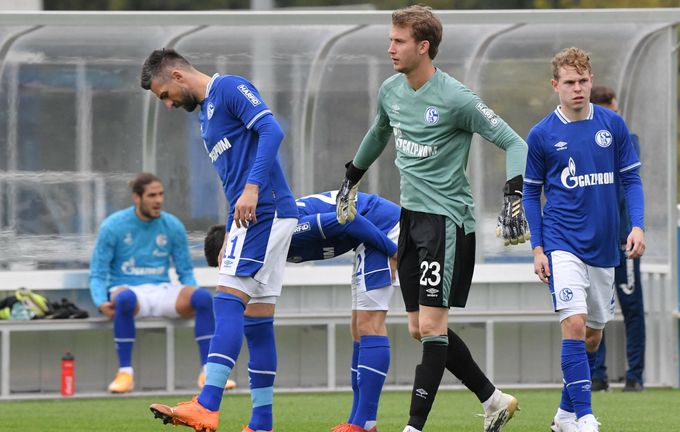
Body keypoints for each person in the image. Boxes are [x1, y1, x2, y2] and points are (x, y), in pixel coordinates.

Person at [334, 6, 530, 432]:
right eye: (390, 39)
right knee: (418, 330)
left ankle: (413, 427)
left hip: (447, 223)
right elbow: (378, 132)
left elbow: (516, 143)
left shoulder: (456, 98)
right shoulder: (391, 90)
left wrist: (513, 194)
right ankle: (494, 400)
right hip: (410, 221)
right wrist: (351, 178)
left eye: (398, 41)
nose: (390, 48)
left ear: (423, 47)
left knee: (432, 326)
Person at [141, 48, 298, 432]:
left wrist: (254, 187)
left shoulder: (228, 87)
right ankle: (261, 422)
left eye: (164, 94)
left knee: (226, 302)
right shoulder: (207, 117)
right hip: (252, 215)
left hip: (266, 208)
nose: (167, 104)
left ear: (177, 76)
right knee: (257, 321)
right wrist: (231, 227)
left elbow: (271, 130)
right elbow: (234, 179)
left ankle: (207, 404)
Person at [521, 47, 645, 432]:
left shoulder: (613, 126)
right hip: (562, 243)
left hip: (605, 247)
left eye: (583, 81)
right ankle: (586, 417)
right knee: (573, 324)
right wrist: (538, 247)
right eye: (569, 83)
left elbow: (631, 180)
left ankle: (563, 416)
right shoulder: (542, 135)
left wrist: (637, 225)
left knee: (592, 335)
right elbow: (530, 194)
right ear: (555, 85)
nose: (577, 89)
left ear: (591, 82)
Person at [206, 190, 400, 432]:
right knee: (358, 327)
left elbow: (349, 220)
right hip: (368, 237)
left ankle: (364, 424)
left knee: (369, 324)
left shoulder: (286, 229)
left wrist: (395, 251)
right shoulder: (268, 246)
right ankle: (359, 422)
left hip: (382, 227)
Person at [89, 172, 231, 394]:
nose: (158, 200)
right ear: (137, 198)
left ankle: (209, 372)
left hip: (162, 290)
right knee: (124, 298)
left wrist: (192, 294)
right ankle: (125, 373)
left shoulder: (172, 225)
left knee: (203, 297)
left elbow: (185, 270)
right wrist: (100, 301)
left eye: (161, 195)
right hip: (128, 292)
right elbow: (98, 271)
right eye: (152, 195)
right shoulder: (113, 226)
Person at [588, 86, 646, 392]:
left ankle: (635, 374)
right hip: (597, 241)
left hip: (624, 238)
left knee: (632, 307)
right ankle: (598, 374)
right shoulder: (582, 139)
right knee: (598, 307)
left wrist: (635, 227)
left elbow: (632, 184)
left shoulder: (625, 140)